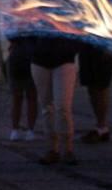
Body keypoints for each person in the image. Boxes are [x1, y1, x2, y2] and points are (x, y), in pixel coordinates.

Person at [30, 33, 81, 165]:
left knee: (62, 106)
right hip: (40, 59)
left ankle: (68, 149)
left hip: (64, 59)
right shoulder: (33, 12)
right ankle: (52, 149)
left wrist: (72, 48)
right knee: (46, 107)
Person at [77, 41, 112, 144]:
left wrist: (110, 47)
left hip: (102, 46)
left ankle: (102, 127)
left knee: (100, 87)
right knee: (91, 87)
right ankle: (100, 126)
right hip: (86, 44)